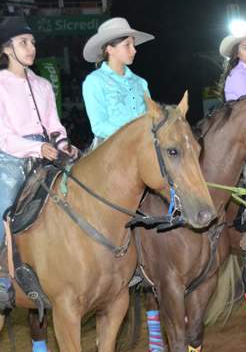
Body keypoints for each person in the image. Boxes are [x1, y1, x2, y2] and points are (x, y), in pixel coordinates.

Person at [0, 17, 78, 308]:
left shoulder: (43, 85)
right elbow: (3, 135)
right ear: (6, 49)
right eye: (23, 43)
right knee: (3, 205)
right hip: (11, 158)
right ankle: (1, 277)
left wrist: (63, 144)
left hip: (46, 154)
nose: (31, 48)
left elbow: (54, 124)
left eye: (32, 42)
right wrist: (37, 147)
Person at [81, 17, 154, 148]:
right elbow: (99, 125)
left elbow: (151, 116)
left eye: (133, 45)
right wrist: (132, 136)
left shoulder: (141, 83)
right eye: (127, 45)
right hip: (111, 149)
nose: (134, 50)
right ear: (110, 49)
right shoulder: (94, 81)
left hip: (143, 146)